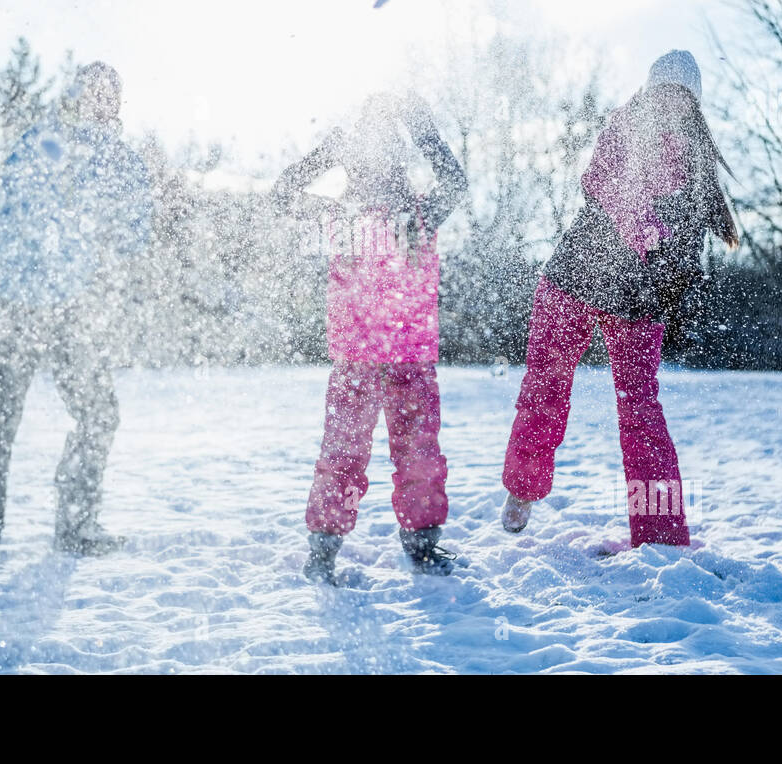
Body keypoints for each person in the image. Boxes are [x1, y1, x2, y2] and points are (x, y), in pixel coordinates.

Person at [500, 50, 738, 547]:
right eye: (664, 92)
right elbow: (601, 182)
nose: (670, 103)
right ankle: (522, 488)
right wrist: (645, 227)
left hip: (636, 301)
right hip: (576, 278)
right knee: (547, 382)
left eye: (681, 96)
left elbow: (689, 242)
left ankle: (660, 534)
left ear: (692, 105)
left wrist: (671, 280)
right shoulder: (626, 124)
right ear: (651, 92)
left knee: (640, 409)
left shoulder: (695, 160)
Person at [0, 62, 152, 560]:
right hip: (23, 299)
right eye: (93, 92)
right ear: (77, 95)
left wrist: (132, 212)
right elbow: (19, 208)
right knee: (2, 412)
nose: (101, 102)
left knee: (96, 412)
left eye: (110, 94)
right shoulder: (46, 142)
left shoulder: (116, 158)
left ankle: (71, 524)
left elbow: (131, 234)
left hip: (66, 304)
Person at [273, 91, 467, 582]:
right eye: (369, 150)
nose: (379, 162)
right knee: (345, 452)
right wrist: (329, 151)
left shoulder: (417, 218)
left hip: (408, 358)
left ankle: (419, 545)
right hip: (361, 360)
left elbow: (457, 184)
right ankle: (324, 550)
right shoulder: (343, 220)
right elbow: (280, 195)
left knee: (417, 454)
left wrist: (423, 132)